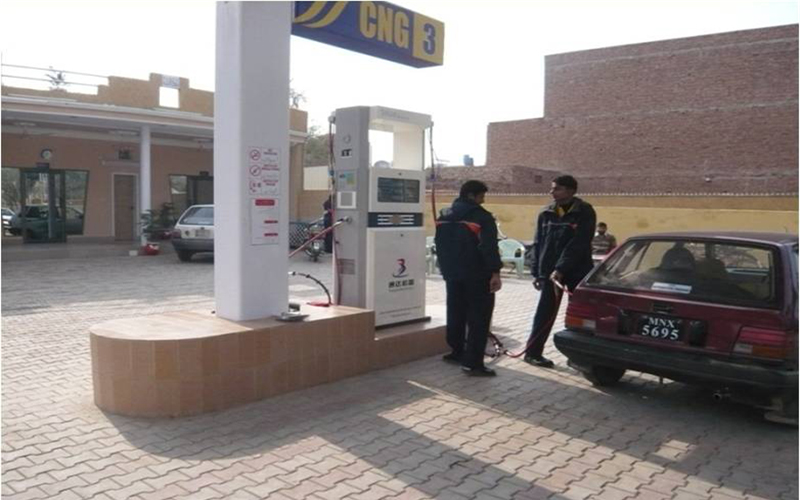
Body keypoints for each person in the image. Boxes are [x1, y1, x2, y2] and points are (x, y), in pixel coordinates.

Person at [524, 175, 596, 368]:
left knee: (578, 315)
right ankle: (532, 353)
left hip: (576, 270)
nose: (552, 192)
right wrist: (537, 273)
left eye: (557, 188)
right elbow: (538, 244)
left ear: (571, 191)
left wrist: (561, 268)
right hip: (549, 273)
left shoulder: (584, 211)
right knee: (544, 313)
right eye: (552, 188)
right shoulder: (546, 213)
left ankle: (578, 358)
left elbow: (579, 243)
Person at [435, 180, 503, 377]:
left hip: (452, 274)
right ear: (472, 195)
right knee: (478, 318)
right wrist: (495, 272)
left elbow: (439, 245)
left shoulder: (444, 215)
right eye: (481, 196)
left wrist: (446, 269)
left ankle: (457, 352)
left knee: (455, 312)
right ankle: (473, 363)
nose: (483, 200)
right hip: (477, 275)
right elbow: (488, 247)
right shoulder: (482, 217)